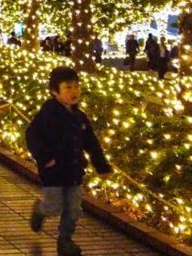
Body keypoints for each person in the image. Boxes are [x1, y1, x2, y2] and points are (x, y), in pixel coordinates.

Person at [26, 66, 112, 256]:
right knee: (54, 206)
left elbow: (91, 142)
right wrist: (45, 157)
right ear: (55, 91)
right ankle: (40, 211)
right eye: (68, 87)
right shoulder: (47, 115)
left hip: (74, 171)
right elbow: (32, 136)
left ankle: (65, 241)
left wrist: (102, 165)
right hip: (53, 172)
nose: (74, 92)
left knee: (73, 209)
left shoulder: (79, 117)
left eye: (76, 87)